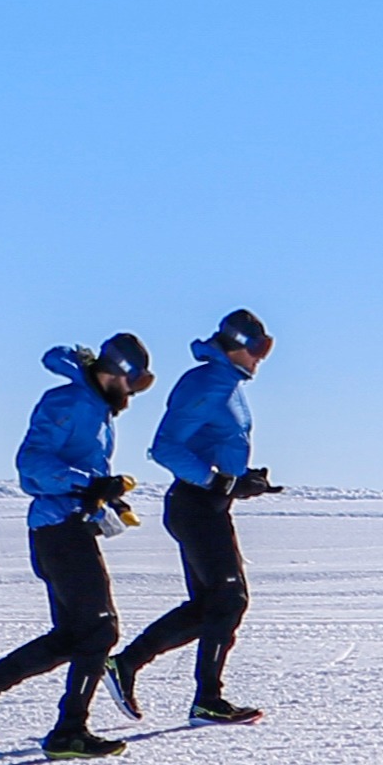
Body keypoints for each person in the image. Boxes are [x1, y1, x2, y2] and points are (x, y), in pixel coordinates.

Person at [0, 334, 153, 759]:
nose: (133, 393)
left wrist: (106, 496)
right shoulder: (70, 403)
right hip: (58, 530)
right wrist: (88, 484)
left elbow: (79, 473)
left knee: (73, 636)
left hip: (70, 527)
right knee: (99, 630)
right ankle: (68, 732)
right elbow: (32, 466)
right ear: (114, 373)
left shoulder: (96, 408)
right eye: (133, 383)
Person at [111, 309, 280, 725]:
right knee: (229, 600)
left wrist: (243, 480)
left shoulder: (229, 383)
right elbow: (166, 446)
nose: (261, 357)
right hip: (195, 505)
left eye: (266, 348)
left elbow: (216, 447)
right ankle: (206, 699)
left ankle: (127, 665)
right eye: (257, 348)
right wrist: (215, 481)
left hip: (209, 505)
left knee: (210, 605)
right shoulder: (206, 382)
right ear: (236, 345)